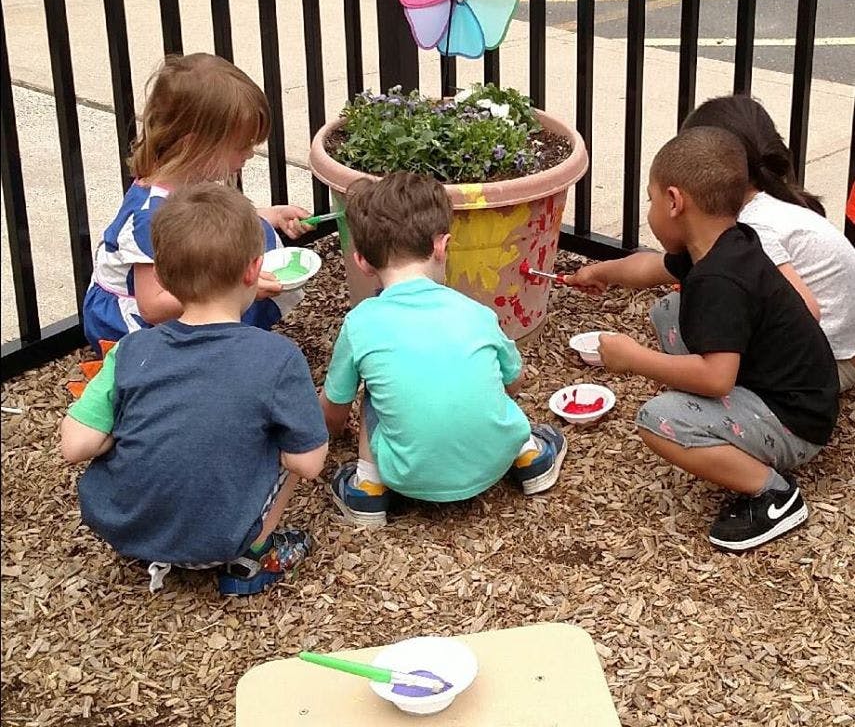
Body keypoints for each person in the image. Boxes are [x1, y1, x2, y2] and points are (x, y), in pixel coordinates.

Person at [566, 127, 838, 552]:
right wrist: (599, 273)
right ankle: (724, 424)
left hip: (795, 423)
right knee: (669, 310)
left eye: (651, 200)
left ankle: (774, 495)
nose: (651, 210)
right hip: (788, 391)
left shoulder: (719, 281)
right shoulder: (727, 242)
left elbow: (716, 380)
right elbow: (652, 268)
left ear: (675, 202)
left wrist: (632, 357)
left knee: (657, 419)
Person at [61, 184, 329, 595]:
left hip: (122, 530)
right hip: (219, 540)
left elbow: (75, 445)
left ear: (164, 277)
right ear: (254, 270)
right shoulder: (277, 358)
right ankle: (251, 556)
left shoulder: (132, 350)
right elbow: (308, 464)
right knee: (290, 442)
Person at [318, 172, 567, 527]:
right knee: (489, 378)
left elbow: (334, 411)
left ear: (362, 261)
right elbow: (514, 383)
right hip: (496, 459)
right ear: (442, 246)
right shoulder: (478, 313)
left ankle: (368, 489)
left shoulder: (360, 324)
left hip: (406, 475)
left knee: (374, 388)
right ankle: (530, 456)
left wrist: (331, 430)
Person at [83, 53, 310, 351]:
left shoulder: (190, 180)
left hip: (179, 287)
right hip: (137, 324)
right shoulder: (150, 217)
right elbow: (152, 306)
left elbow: (208, 222)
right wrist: (238, 291)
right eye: (241, 146)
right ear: (195, 145)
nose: (249, 155)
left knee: (253, 230)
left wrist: (271, 216)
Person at [683, 94, 855, 390]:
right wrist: (604, 273)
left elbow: (807, 311)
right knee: (682, 311)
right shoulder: (773, 202)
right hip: (837, 349)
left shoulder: (754, 227)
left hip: (828, 365)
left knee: (715, 348)